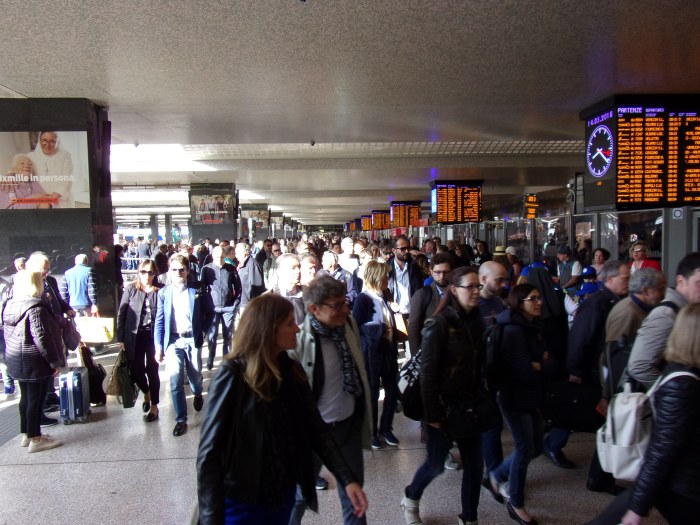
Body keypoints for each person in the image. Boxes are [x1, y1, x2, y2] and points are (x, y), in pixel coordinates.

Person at [196, 294, 367, 524]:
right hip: (242, 501)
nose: (297, 329)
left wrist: (348, 479)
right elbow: (209, 454)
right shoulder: (233, 373)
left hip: (281, 497)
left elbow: (316, 429)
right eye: (289, 323)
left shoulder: (291, 371)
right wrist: (210, 518)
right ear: (268, 329)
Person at [584, 303, 700, 525]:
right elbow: (662, 450)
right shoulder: (682, 384)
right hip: (684, 487)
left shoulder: (685, 374)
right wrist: (638, 506)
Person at [401, 267, 485, 525]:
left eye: (478, 286)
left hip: (469, 404)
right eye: (470, 287)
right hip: (442, 407)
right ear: (454, 290)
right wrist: (433, 416)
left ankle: (469, 518)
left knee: (474, 465)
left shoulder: (476, 320)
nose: (476, 291)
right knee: (436, 464)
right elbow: (427, 375)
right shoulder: (438, 324)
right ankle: (411, 498)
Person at [289, 276, 372, 525]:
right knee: (299, 496)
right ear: (314, 309)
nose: (345, 309)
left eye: (344, 302)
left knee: (354, 496)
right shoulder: (298, 341)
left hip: (347, 427)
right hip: (312, 434)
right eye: (337, 305)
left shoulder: (348, 325)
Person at [488, 284, 548, 525]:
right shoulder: (513, 330)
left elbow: (545, 357)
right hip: (514, 396)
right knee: (525, 448)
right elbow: (524, 370)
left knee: (536, 448)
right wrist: (539, 364)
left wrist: (539, 363)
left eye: (539, 297)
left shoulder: (532, 326)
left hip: (531, 395)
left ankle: (496, 474)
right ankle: (516, 503)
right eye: (532, 299)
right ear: (519, 303)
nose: (539, 302)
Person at [2, 270, 63, 452]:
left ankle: (27, 434)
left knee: (26, 398)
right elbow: (42, 338)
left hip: (17, 358)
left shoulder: (10, 304)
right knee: (36, 399)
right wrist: (54, 362)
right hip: (35, 360)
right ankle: (36, 439)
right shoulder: (36, 307)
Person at [154, 254, 213, 437]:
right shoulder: (164, 293)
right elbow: (159, 321)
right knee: (175, 380)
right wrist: (158, 346)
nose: (178, 273)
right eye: (174, 270)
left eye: (182, 269)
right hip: (173, 341)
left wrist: (203, 331)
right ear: (169, 271)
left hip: (192, 339)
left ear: (188, 270)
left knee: (195, 376)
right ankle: (181, 419)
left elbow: (210, 312)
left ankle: (197, 393)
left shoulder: (197, 289)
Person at [627, 252, 700, 389]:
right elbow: (639, 366)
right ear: (681, 281)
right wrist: (672, 391)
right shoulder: (665, 315)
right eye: (698, 283)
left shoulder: (685, 310)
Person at [352, 260, 400, 450]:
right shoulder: (363, 299)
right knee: (372, 393)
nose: (387, 279)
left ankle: (386, 428)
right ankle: (371, 432)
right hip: (372, 352)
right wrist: (379, 328)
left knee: (392, 389)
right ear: (375, 278)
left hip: (389, 349)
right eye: (384, 276)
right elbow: (356, 327)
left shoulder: (386, 294)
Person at [117, 259, 163, 422]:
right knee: (136, 371)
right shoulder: (131, 289)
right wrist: (121, 338)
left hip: (153, 336)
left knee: (152, 370)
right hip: (134, 336)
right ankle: (147, 393)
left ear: (154, 273)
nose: (147, 276)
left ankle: (154, 406)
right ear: (139, 272)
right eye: (143, 272)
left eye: (150, 272)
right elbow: (122, 313)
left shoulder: (160, 290)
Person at [200, 246, 241, 370]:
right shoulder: (206, 269)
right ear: (213, 256)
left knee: (228, 335)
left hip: (228, 307)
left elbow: (238, 287)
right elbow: (202, 288)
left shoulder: (230, 268)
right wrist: (206, 305)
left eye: (222, 257)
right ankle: (211, 357)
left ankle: (226, 361)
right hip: (213, 308)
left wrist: (235, 303)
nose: (220, 259)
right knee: (212, 335)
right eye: (217, 257)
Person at [28, 131, 74, 208]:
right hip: (40, 201)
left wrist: (53, 196)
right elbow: (17, 168)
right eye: (44, 140)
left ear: (57, 141)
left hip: (61, 200)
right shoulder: (31, 156)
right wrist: (10, 174)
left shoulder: (65, 155)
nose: (48, 144)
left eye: (52, 141)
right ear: (40, 140)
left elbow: (68, 178)